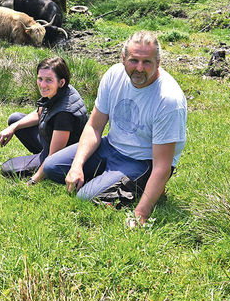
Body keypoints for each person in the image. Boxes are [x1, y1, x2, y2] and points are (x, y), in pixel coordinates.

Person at [41, 31, 187, 226]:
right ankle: (110, 179)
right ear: (123, 58)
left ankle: (148, 189)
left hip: (142, 160)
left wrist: (141, 213)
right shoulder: (114, 76)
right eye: (134, 60)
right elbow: (94, 126)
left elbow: (163, 166)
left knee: (85, 196)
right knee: (52, 167)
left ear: (158, 62)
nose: (140, 68)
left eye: (147, 62)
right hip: (110, 146)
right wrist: (77, 166)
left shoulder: (168, 100)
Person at [0, 57, 88, 185]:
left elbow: (54, 156)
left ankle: (39, 162)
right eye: (40, 79)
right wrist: (13, 127)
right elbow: (39, 114)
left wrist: (33, 180)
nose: (42, 84)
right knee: (14, 119)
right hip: (49, 138)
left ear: (61, 82)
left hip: (61, 155)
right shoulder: (58, 90)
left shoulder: (64, 114)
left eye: (48, 80)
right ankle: (37, 156)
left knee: (8, 168)